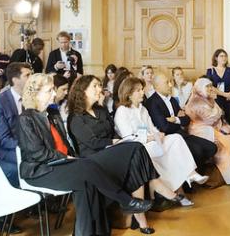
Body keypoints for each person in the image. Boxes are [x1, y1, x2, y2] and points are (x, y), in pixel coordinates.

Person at [17, 74, 152, 236]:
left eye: (53, 89)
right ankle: (125, 201)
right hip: (40, 171)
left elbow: (65, 145)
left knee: (133, 147)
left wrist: (70, 158)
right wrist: (67, 158)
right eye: (49, 90)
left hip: (66, 164)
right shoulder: (26, 119)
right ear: (36, 94)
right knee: (87, 169)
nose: (54, 93)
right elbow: (38, 153)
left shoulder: (52, 114)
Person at [67, 75, 183, 231]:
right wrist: (115, 142)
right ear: (82, 91)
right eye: (95, 86)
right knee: (135, 149)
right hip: (93, 159)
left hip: (112, 151)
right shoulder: (76, 117)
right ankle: (159, 188)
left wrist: (117, 141)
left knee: (135, 156)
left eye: (99, 86)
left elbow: (112, 131)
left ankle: (142, 221)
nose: (99, 89)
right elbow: (93, 143)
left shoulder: (100, 110)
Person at [114, 77, 207, 203]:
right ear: (129, 94)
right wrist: (151, 137)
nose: (143, 92)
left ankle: (191, 173)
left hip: (153, 143)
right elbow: (128, 137)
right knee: (169, 155)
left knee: (176, 138)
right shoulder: (122, 111)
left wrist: (159, 134)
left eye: (142, 89)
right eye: (139, 90)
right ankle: (180, 193)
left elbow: (152, 128)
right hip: (138, 148)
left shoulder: (143, 109)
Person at [144, 74, 217, 170]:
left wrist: (175, 119)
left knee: (212, 147)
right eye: (167, 83)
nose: (170, 85)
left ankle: (195, 175)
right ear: (157, 86)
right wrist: (179, 121)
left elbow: (186, 120)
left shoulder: (173, 100)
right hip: (169, 139)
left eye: (170, 82)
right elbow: (164, 127)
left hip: (182, 134)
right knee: (198, 150)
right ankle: (191, 181)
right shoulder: (152, 102)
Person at [185, 78, 230, 187]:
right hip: (200, 130)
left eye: (210, 86)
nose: (210, 88)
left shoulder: (209, 98)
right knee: (224, 145)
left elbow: (218, 114)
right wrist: (217, 113)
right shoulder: (195, 102)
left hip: (211, 127)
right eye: (206, 86)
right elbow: (211, 118)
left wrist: (217, 113)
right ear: (200, 88)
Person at [0, 62, 32, 186]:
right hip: (7, 149)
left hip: (29, 145)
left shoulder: (32, 98)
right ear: (15, 80)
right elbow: (4, 140)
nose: (32, 79)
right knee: (32, 161)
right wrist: (29, 146)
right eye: (27, 75)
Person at [205, 49, 230, 126]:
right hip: (216, 100)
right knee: (217, 122)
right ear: (216, 58)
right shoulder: (210, 71)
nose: (224, 58)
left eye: (225, 56)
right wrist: (225, 94)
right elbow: (209, 86)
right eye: (221, 56)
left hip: (229, 99)